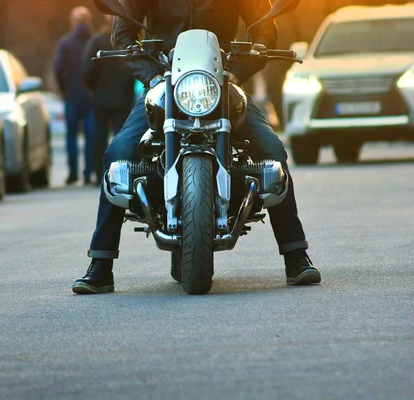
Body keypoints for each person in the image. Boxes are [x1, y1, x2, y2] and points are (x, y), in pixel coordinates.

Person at [72, 0, 322, 294]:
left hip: (222, 81)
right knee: (118, 153)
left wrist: (236, 71)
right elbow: (124, 33)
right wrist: (150, 74)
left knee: (272, 151)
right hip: (164, 81)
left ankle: (295, 256)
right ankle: (101, 265)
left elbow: (264, 27)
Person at [82, 15, 136, 182]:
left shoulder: (97, 42)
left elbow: (86, 69)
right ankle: (122, 176)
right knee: (122, 138)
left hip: (101, 98)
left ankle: (100, 173)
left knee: (99, 136)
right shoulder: (128, 42)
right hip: (123, 98)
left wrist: (94, 89)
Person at [54, 7, 96, 185]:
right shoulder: (94, 42)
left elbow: (58, 69)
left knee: (71, 135)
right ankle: (88, 173)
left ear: (73, 23)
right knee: (90, 136)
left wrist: (63, 89)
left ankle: (72, 173)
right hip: (91, 97)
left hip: (71, 95)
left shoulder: (65, 43)